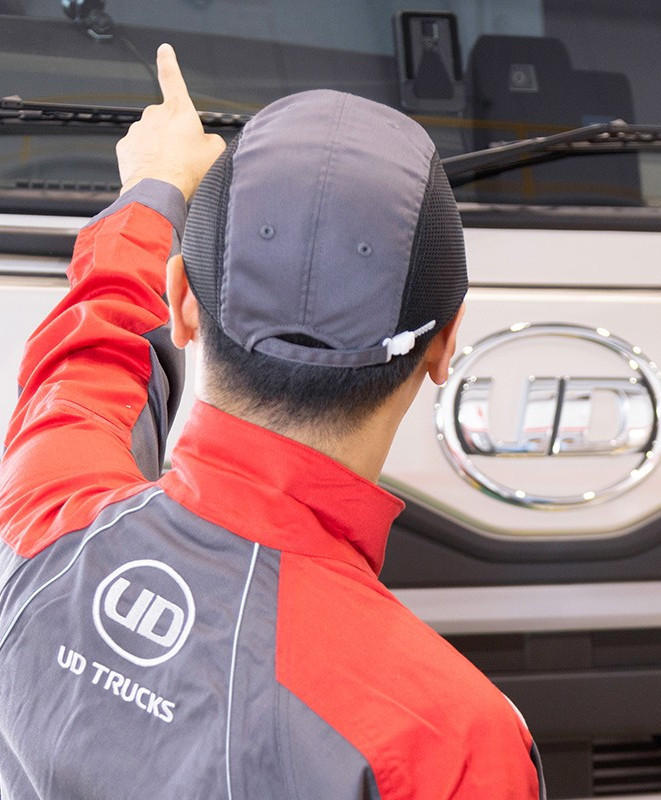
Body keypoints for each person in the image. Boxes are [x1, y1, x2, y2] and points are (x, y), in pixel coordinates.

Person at [0, 45, 545, 799]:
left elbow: (85, 363)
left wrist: (154, 193)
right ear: (445, 345)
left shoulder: (41, 522)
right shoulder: (446, 736)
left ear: (184, 303)